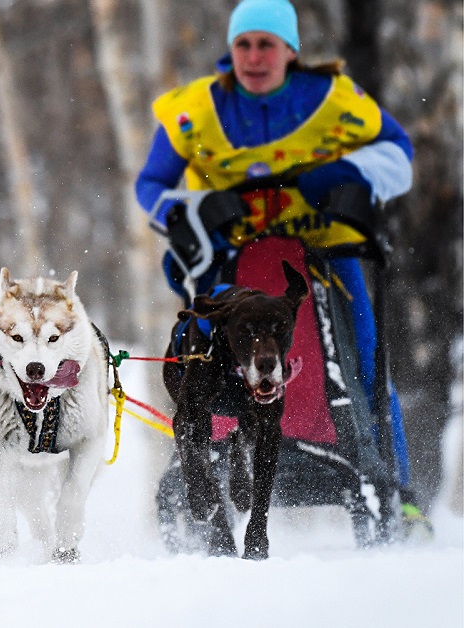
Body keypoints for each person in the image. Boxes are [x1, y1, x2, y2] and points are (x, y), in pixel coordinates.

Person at [135, 0, 427, 532]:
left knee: (366, 362)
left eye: (266, 44)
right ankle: (199, 471)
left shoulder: (333, 100)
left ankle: (397, 494)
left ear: (290, 51)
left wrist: (348, 173)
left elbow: (399, 154)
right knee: (199, 361)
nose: (253, 56)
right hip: (228, 262)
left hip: (326, 255)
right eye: (243, 44)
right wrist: (189, 210)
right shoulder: (196, 109)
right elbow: (150, 186)